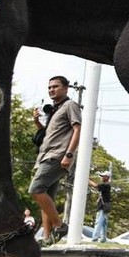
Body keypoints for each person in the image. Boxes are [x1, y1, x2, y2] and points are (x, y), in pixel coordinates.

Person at [27, 75, 82, 246]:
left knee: (36, 189)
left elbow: (77, 129)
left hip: (58, 156)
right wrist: (37, 122)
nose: (51, 89)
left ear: (66, 88)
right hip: (44, 155)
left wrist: (69, 154)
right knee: (46, 197)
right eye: (49, 87)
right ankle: (46, 237)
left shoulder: (70, 105)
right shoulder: (54, 110)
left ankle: (59, 226)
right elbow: (49, 134)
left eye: (55, 86)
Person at [89, 172, 112, 243]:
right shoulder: (106, 185)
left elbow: (96, 186)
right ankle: (103, 238)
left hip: (103, 206)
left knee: (98, 222)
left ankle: (95, 238)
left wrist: (87, 180)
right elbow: (97, 188)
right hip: (106, 205)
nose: (101, 177)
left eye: (103, 176)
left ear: (107, 177)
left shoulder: (106, 185)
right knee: (104, 223)